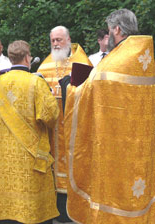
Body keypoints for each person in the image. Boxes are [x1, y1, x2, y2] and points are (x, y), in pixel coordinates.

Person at [64, 9, 155, 223]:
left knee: (114, 192)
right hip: (141, 146)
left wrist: (69, 89)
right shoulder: (146, 58)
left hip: (114, 146)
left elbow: (86, 94)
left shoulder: (115, 61)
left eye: (109, 30)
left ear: (117, 29)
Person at [0, 40, 60, 224]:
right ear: (28, 57)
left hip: (3, 156)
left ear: (10, 58)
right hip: (30, 155)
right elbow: (50, 116)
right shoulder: (36, 82)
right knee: (32, 204)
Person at [37, 25, 92, 223]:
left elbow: (89, 97)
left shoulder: (83, 63)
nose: (56, 44)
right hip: (53, 130)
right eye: (53, 40)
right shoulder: (44, 65)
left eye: (59, 40)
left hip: (74, 129)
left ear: (69, 40)